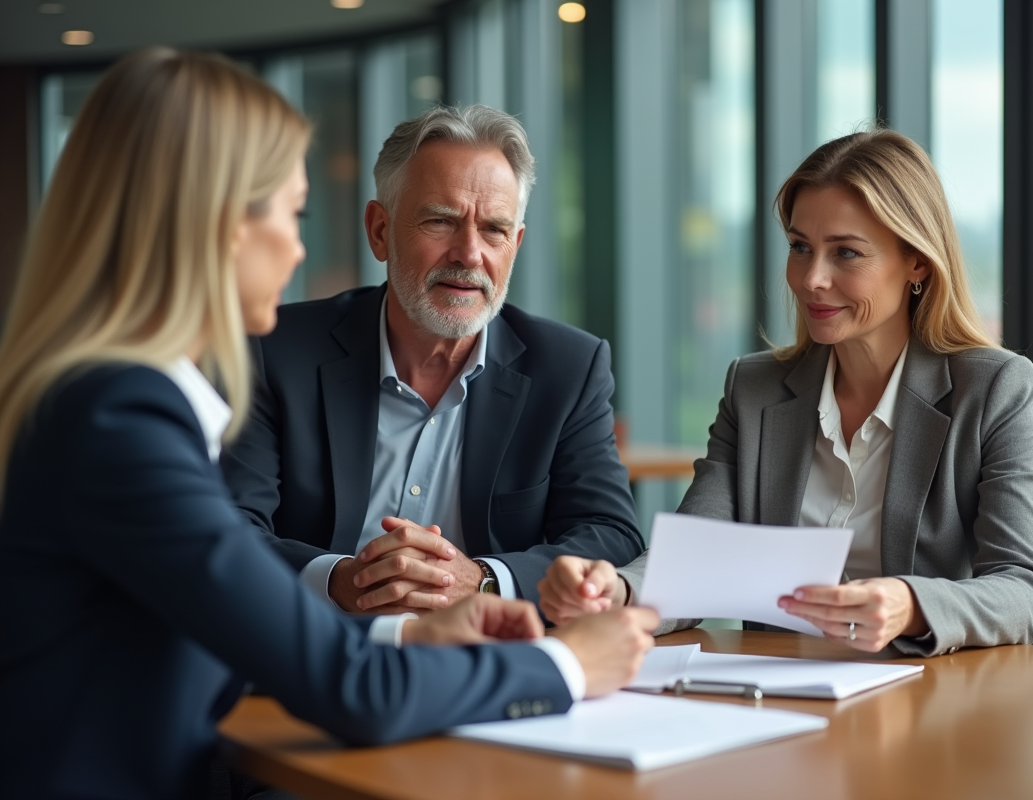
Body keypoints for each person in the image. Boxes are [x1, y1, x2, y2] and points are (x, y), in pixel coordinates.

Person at [0, 49, 658, 800]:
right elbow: (354, 690)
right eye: (293, 212)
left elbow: (237, 619)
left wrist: (414, 628)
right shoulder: (122, 419)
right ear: (216, 227)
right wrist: (573, 664)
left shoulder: (106, 399)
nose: (300, 247)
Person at [537, 129, 1033, 657]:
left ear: (917, 262)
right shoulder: (754, 389)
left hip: (926, 704)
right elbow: (696, 560)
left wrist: (909, 603)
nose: (812, 279)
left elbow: (1023, 588)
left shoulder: (993, 388)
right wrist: (616, 590)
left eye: (846, 253)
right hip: (781, 697)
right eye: (800, 248)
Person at [220, 104, 642, 616]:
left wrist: (485, 581)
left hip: (487, 657)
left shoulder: (568, 368)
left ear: (517, 244)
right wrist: (337, 580)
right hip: (319, 653)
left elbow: (612, 535)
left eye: (494, 229)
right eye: (441, 221)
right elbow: (228, 526)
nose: (469, 254)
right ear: (380, 230)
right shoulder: (276, 350)